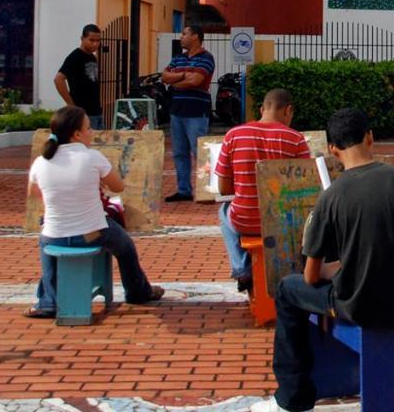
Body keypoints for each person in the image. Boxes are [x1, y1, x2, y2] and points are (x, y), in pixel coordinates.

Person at [252, 108, 394, 412]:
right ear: (371, 137)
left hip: (358, 305)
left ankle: (294, 394)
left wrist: (338, 268)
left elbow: (310, 276)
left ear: (332, 150)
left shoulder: (332, 196)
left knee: (286, 290)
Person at [24, 105, 163, 317]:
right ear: (77, 134)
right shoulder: (92, 157)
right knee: (125, 247)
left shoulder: (42, 161)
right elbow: (118, 187)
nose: (92, 132)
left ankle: (48, 300)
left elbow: (34, 193)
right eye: (88, 128)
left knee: (46, 243)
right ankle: (137, 291)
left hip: (55, 236)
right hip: (91, 234)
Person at [214, 88, 310, 293]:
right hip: (284, 223)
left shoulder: (233, 135)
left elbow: (223, 188)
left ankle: (241, 268)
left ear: (261, 109)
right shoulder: (296, 139)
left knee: (223, 210)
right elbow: (306, 188)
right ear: (288, 110)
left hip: (244, 221)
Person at [162, 24, 215, 202]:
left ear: (195, 37)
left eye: (184, 34)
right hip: (177, 111)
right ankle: (183, 190)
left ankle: (206, 189)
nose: (181, 37)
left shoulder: (206, 58)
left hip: (196, 112)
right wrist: (185, 75)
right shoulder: (178, 58)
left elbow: (196, 80)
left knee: (199, 151)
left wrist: (176, 79)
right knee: (179, 152)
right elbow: (164, 76)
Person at [55, 24, 104, 129]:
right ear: (82, 39)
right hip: (83, 113)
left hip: (96, 112)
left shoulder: (92, 57)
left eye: (98, 41)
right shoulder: (75, 57)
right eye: (91, 40)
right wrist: (71, 105)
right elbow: (58, 79)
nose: (95, 44)